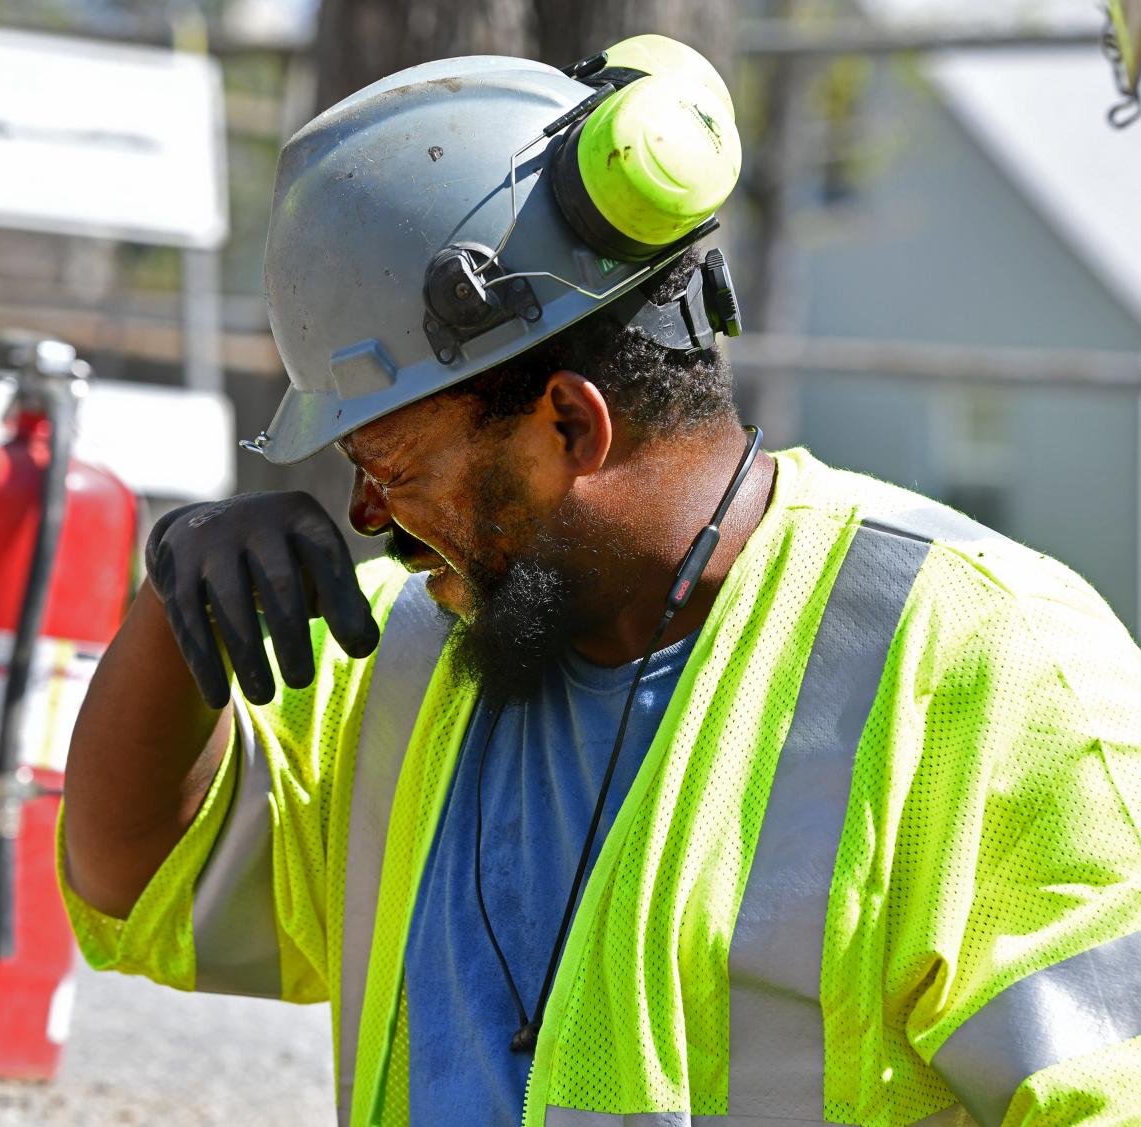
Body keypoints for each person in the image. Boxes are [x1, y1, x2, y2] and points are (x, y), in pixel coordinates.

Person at [60, 35, 1141, 1127]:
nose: (371, 522)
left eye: (393, 468)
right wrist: (171, 616)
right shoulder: (417, 656)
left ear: (571, 423)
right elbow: (141, 883)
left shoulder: (988, 666)